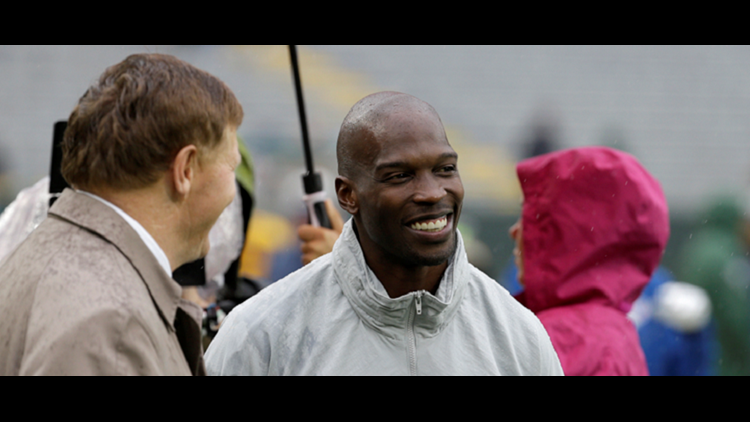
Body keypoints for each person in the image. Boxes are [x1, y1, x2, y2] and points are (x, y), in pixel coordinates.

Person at [204, 91, 563, 376]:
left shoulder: (519, 336)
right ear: (348, 195)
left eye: (445, 169)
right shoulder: (260, 334)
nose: (432, 192)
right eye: (399, 176)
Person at [0, 53, 243, 375]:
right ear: (185, 169)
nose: (231, 194)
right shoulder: (114, 324)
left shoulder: (44, 255)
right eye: (231, 167)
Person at [510, 146, 670, 376]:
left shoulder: (565, 339)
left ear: (567, 234)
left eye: (533, 217)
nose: (515, 231)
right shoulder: (612, 334)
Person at [677, 195, 750, 376]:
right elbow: (738, 320)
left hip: (698, 357)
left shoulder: (698, 247)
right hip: (724, 363)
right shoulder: (725, 257)